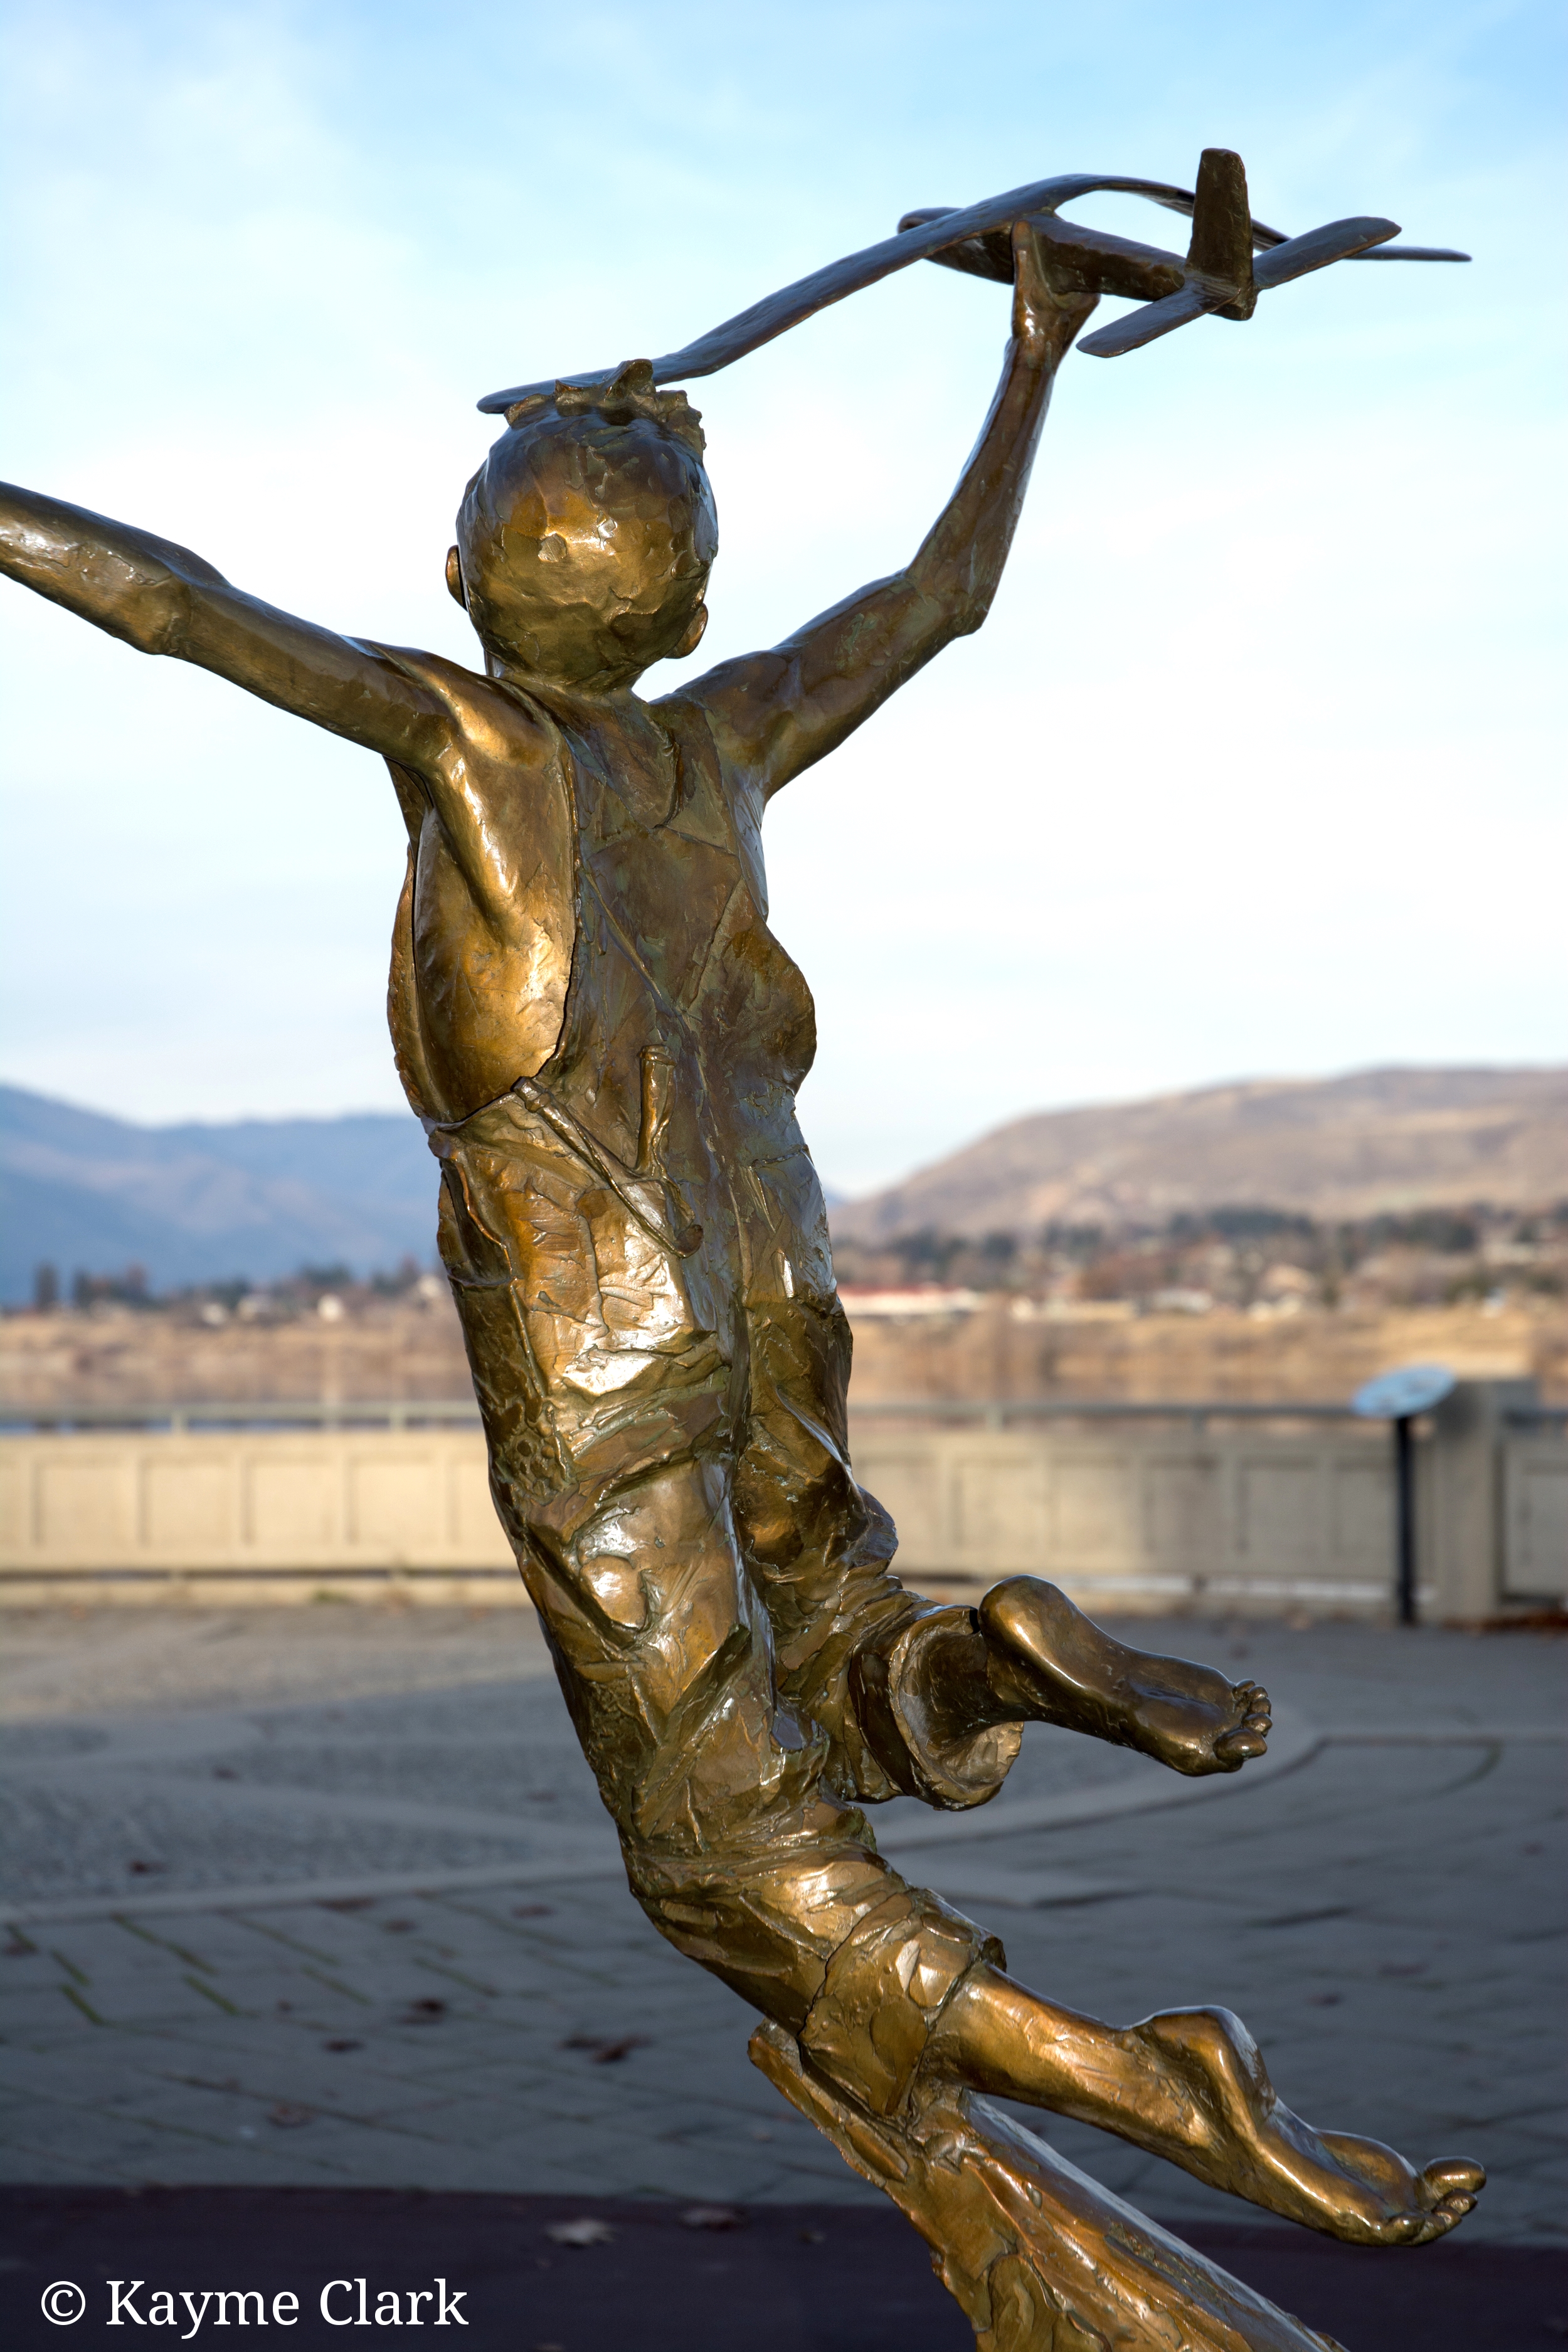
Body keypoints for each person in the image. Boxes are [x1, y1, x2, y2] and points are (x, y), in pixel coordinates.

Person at [0, 224, 1480, 2248]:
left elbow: (175, 605)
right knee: (835, 1635)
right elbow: (941, 601)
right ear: (690, 603)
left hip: (597, 1342)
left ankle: (1156, 2085)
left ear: (459, 580)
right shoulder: (729, 742)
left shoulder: (465, 738)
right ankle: (970, 1656)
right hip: (777, 1287)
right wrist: (1035, 350)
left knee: (718, 1841)